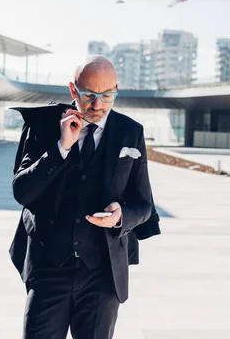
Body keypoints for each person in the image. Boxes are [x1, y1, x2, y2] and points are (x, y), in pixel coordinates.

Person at [10, 55, 161, 338]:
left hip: (102, 273)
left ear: (117, 88)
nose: (97, 105)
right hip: (49, 267)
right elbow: (22, 192)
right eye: (89, 95)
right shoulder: (41, 126)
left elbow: (145, 206)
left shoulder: (131, 132)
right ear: (72, 90)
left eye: (107, 95)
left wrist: (121, 217)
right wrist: (60, 147)